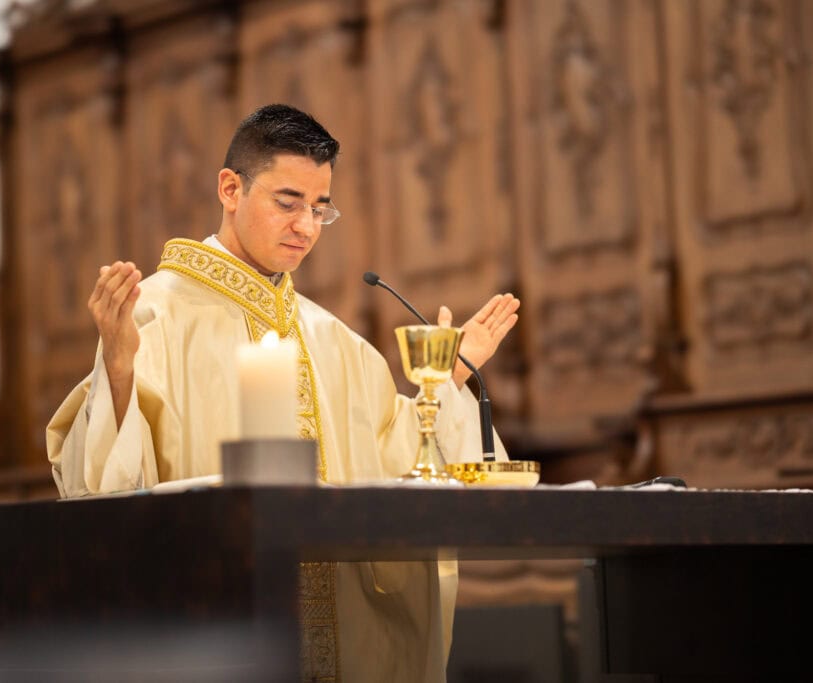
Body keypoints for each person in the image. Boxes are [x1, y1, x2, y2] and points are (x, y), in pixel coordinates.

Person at [47, 104, 520, 682]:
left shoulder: (334, 339)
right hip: (219, 630)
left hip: (342, 641)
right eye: (288, 203)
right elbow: (99, 492)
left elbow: (400, 463)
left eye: (321, 209)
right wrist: (118, 370)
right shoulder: (153, 314)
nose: (307, 227)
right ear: (230, 188)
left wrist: (450, 376)